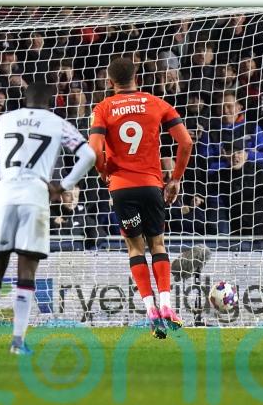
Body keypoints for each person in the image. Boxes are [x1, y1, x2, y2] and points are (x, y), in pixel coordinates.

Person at [0, 82, 95, 355]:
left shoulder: (4, 119)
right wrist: (63, 185)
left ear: (24, 98)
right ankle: (18, 342)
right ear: (52, 101)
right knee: (26, 273)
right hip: (35, 195)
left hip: (4, 194)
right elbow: (88, 155)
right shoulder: (58, 124)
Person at [88, 57, 193, 339]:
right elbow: (186, 142)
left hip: (122, 188)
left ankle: (150, 311)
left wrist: (103, 171)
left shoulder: (103, 108)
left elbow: (94, 149)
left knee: (135, 248)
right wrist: (176, 179)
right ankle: (168, 306)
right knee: (157, 243)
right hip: (151, 185)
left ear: (109, 82)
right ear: (138, 78)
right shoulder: (156, 103)